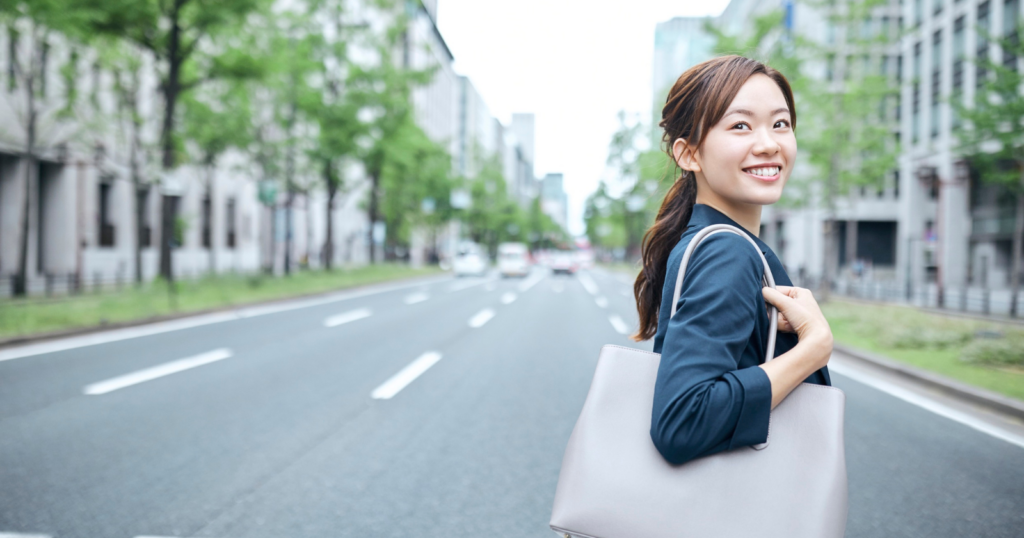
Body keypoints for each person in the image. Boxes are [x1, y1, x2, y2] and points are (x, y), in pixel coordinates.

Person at [632, 56, 836, 466]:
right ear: (689, 154)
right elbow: (681, 422)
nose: (769, 143)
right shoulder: (728, 251)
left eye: (780, 124)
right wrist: (813, 348)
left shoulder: (719, 243)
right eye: (740, 125)